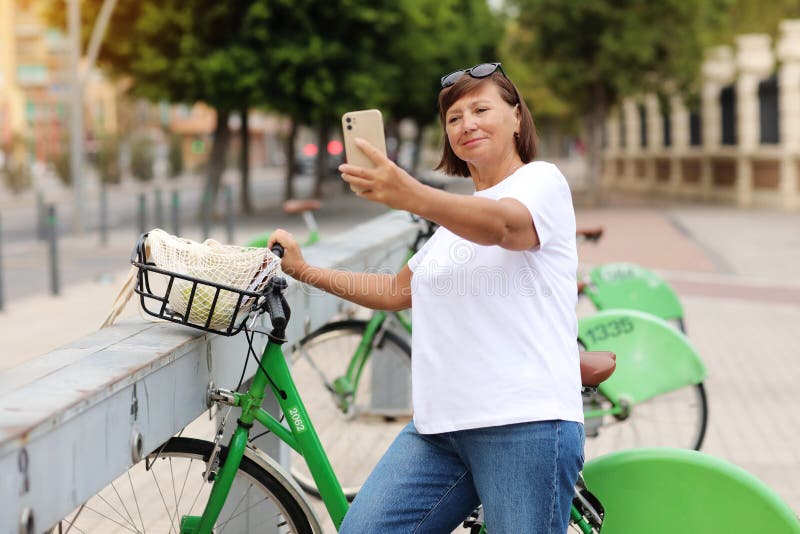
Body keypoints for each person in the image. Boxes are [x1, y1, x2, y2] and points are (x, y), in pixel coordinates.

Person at [269, 62, 584, 533]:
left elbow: (505, 226)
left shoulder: (542, 183)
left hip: (523, 423)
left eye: (481, 109)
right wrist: (304, 270)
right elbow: (396, 291)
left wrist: (411, 195)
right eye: (454, 118)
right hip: (440, 431)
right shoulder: (453, 225)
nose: (467, 124)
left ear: (518, 118)